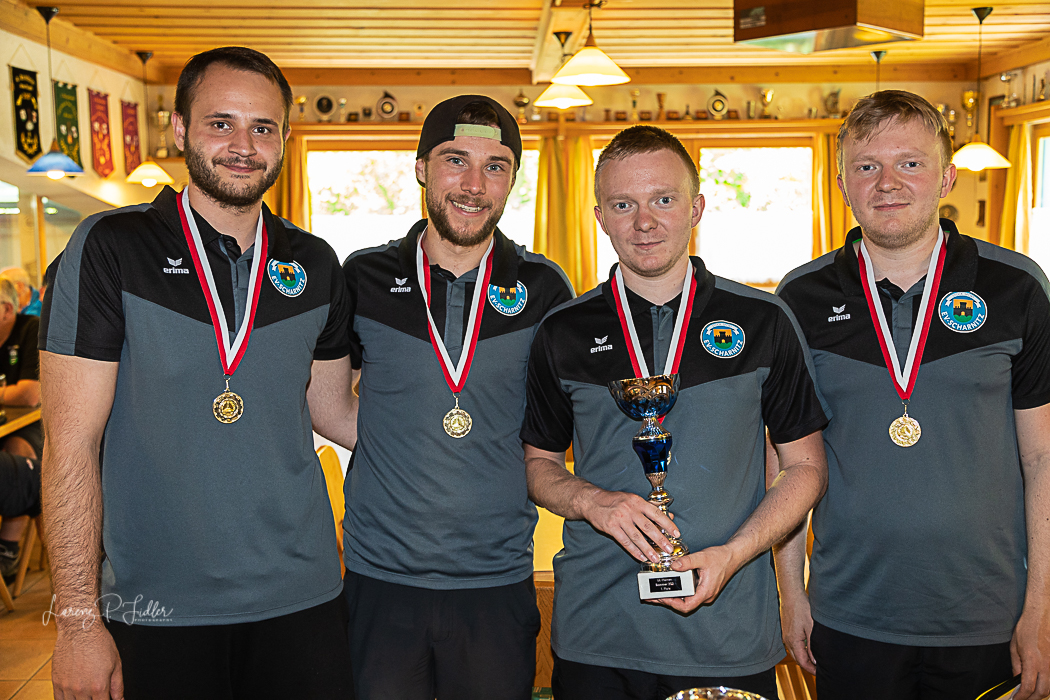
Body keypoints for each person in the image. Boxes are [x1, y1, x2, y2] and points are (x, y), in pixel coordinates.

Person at [40, 46, 357, 699]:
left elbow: (337, 413)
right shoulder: (111, 248)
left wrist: (468, 429)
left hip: (304, 598)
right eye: (221, 123)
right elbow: (69, 448)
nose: (244, 145)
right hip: (157, 604)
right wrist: (76, 622)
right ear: (180, 129)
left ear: (285, 141)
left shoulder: (315, 264)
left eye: (263, 127)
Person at [520, 124, 829, 700]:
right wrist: (593, 501)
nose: (644, 221)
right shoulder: (562, 330)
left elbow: (806, 469)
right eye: (623, 204)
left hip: (729, 630)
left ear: (697, 208)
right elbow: (538, 465)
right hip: (598, 629)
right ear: (600, 216)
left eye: (664, 199)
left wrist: (734, 556)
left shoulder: (763, 321)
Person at [775, 90, 1050, 700]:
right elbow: (788, 461)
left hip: (991, 616)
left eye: (911, 163)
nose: (887, 183)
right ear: (841, 183)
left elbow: (1043, 458)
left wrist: (1043, 609)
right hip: (849, 614)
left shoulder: (1016, 287)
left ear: (947, 176)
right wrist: (792, 592)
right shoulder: (801, 298)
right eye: (867, 166)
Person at [340, 94, 574, 700]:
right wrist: (401, 441)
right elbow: (326, 399)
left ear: (513, 180)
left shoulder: (545, 287)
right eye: (454, 160)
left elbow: (558, 426)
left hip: (496, 580)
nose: (474, 185)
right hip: (379, 578)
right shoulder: (363, 278)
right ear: (420, 167)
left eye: (495, 166)